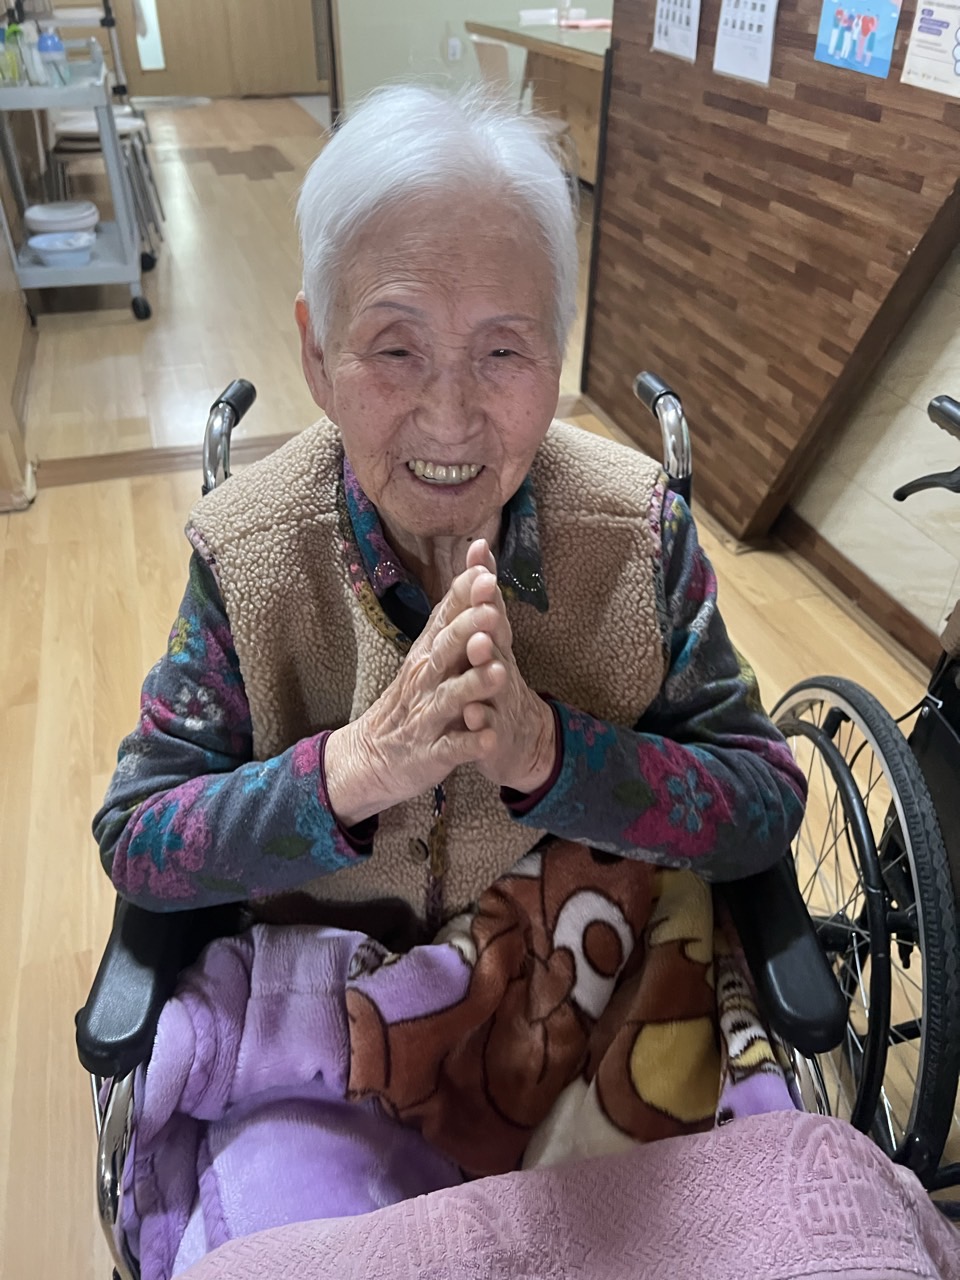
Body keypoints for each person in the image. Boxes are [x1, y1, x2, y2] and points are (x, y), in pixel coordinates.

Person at [94, 85, 806, 944]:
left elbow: (763, 802)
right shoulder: (247, 553)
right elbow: (138, 836)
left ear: (557, 352)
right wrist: (359, 766)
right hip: (314, 981)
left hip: (581, 960)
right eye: (396, 348)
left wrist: (548, 753)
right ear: (316, 353)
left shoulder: (641, 534)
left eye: (503, 349)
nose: (450, 419)